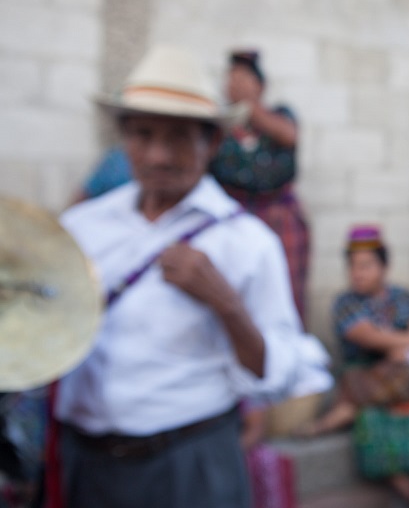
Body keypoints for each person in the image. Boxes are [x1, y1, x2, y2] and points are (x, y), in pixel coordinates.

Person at [55, 45, 331, 508]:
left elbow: (279, 371)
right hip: (86, 463)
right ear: (123, 138)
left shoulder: (245, 241)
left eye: (180, 137)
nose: (158, 155)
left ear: (213, 143)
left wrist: (225, 302)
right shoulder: (83, 228)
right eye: (142, 134)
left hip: (191, 465)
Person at [330, 225, 409, 508]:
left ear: (384, 266)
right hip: (364, 377)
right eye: (352, 266)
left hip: (403, 377)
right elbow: (366, 337)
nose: (357, 273)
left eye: (365, 265)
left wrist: (405, 344)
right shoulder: (345, 302)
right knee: (373, 422)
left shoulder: (402, 297)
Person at [209, 50, 311, 323]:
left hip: (279, 220)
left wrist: (248, 107)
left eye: (244, 78)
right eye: (231, 78)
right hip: (232, 219)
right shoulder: (218, 123)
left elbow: (289, 135)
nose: (235, 84)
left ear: (260, 86)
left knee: (284, 292)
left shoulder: (279, 115)